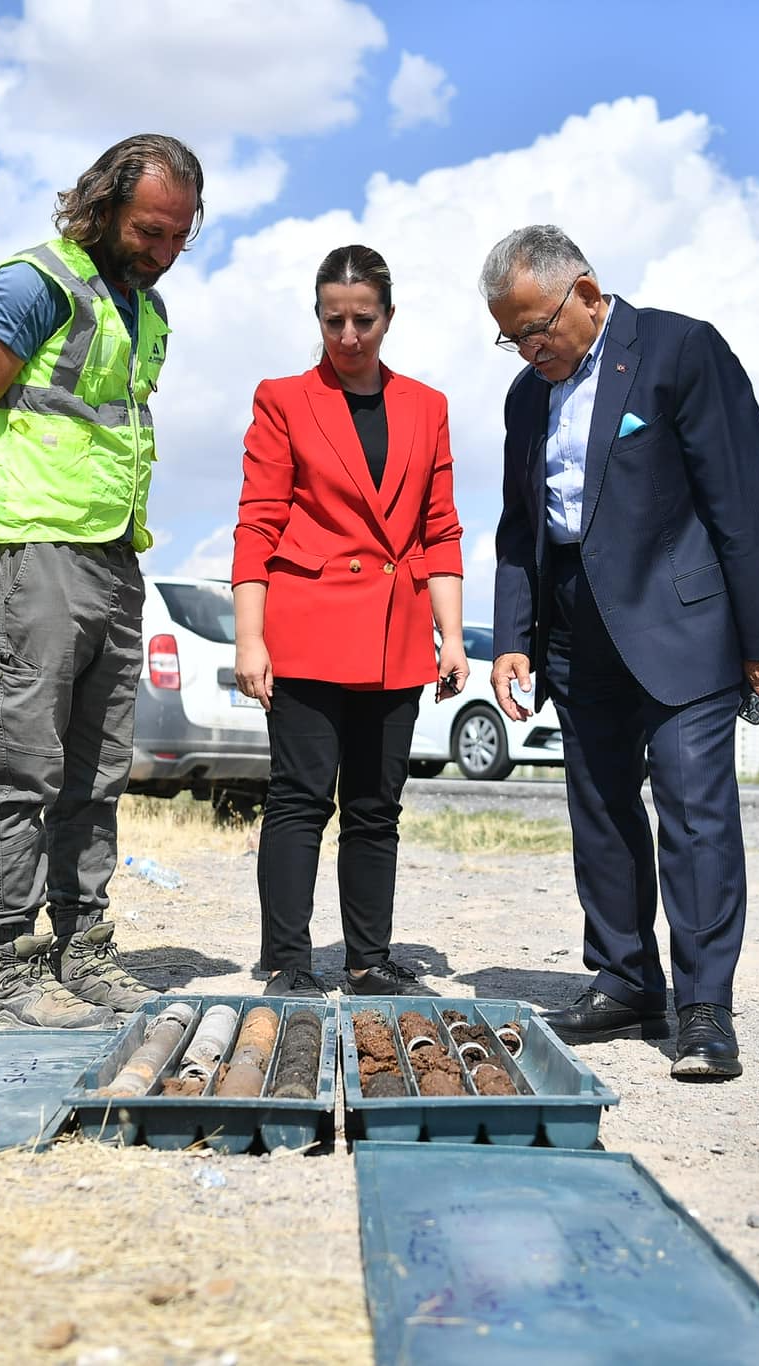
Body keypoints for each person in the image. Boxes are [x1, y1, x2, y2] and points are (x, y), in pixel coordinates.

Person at [482, 226, 759, 1081]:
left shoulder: (678, 350)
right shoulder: (526, 397)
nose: (526, 349)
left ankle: (703, 1006)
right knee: (601, 809)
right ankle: (625, 978)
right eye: (510, 336)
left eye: (535, 328)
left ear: (584, 290)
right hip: (577, 634)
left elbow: (741, 500)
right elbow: (521, 530)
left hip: (684, 625)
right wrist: (514, 639)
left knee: (694, 813)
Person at [0, 136, 204, 1029]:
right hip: (32, 554)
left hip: (112, 558)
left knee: (99, 771)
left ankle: (85, 947)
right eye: (151, 230)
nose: (164, 251)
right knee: (25, 768)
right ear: (104, 205)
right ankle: (15, 966)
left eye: (181, 237)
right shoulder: (36, 285)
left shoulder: (145, 309)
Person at [230, 245, 468, 999]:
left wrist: (453, 635)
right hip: (305, 631)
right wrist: (249, 637)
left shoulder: (427, 407)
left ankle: (368, 961)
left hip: (397, 639)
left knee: (376, 809)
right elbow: (257, 525)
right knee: (299, 800)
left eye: (364, 320)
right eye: (334, 320)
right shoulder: (283, 399)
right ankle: (289, 965)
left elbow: (441, 531)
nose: (349, 336)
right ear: (319, 318)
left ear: (388, 318)